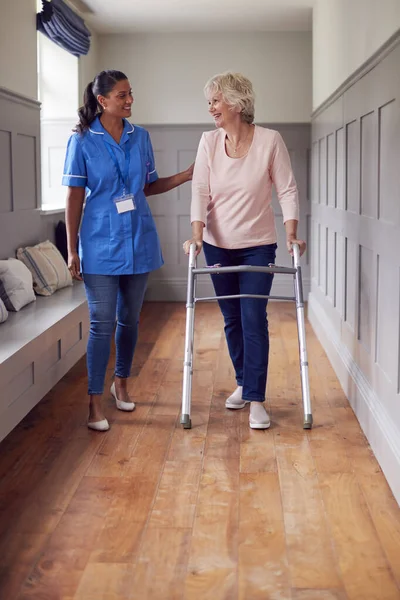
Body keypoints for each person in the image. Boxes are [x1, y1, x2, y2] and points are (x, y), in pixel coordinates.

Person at [63, 70, 193, 432]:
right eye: (122, 95)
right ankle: (93, 402)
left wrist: (184, 175)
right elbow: (74, 196)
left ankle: (121, 383)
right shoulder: (83, 141)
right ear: (102, 101)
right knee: (101, 324)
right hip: (99, 244)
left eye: (131, 94)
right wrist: (71, 249)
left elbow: (147, 187)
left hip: (138, 240)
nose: (130, 100)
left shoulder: (141, 137)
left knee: (130, 320)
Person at [183, 71, 306, 430]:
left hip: (257, 246)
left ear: (237, 103)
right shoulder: (208, 141)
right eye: (210, 102)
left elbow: (287, 189)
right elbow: (200, 192)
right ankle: (243, 383)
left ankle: (256, 398)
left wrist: (292, 233)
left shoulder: (270, 140)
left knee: (253, 318)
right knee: (232, 318)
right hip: (217, 245)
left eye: (216, 101)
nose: (211, 108)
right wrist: (196, 234)